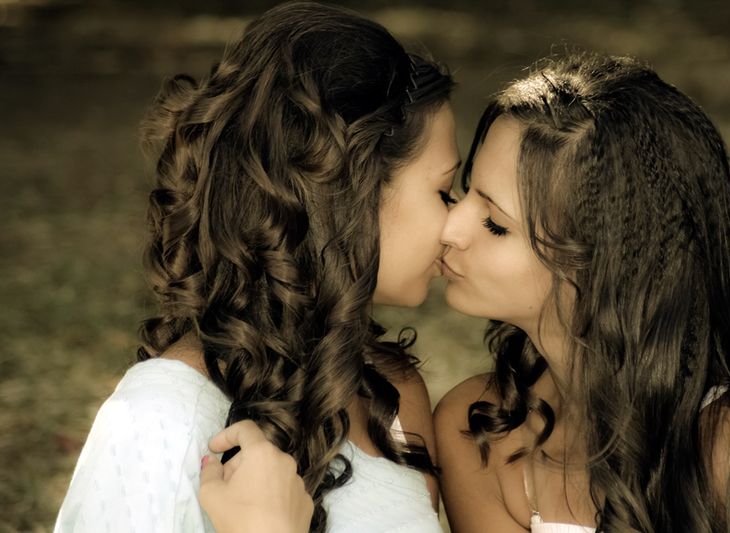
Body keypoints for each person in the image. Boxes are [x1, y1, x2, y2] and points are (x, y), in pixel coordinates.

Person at [54, 2, 459, 532]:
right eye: (444, 191)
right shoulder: (159, 420)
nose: (460, 222)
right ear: (352, 195)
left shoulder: (392, 396)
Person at [434, 52, 730, 532]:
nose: (450, 227)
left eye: (495, 224)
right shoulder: (476, 429)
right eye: (467, 190)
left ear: (603, 266)